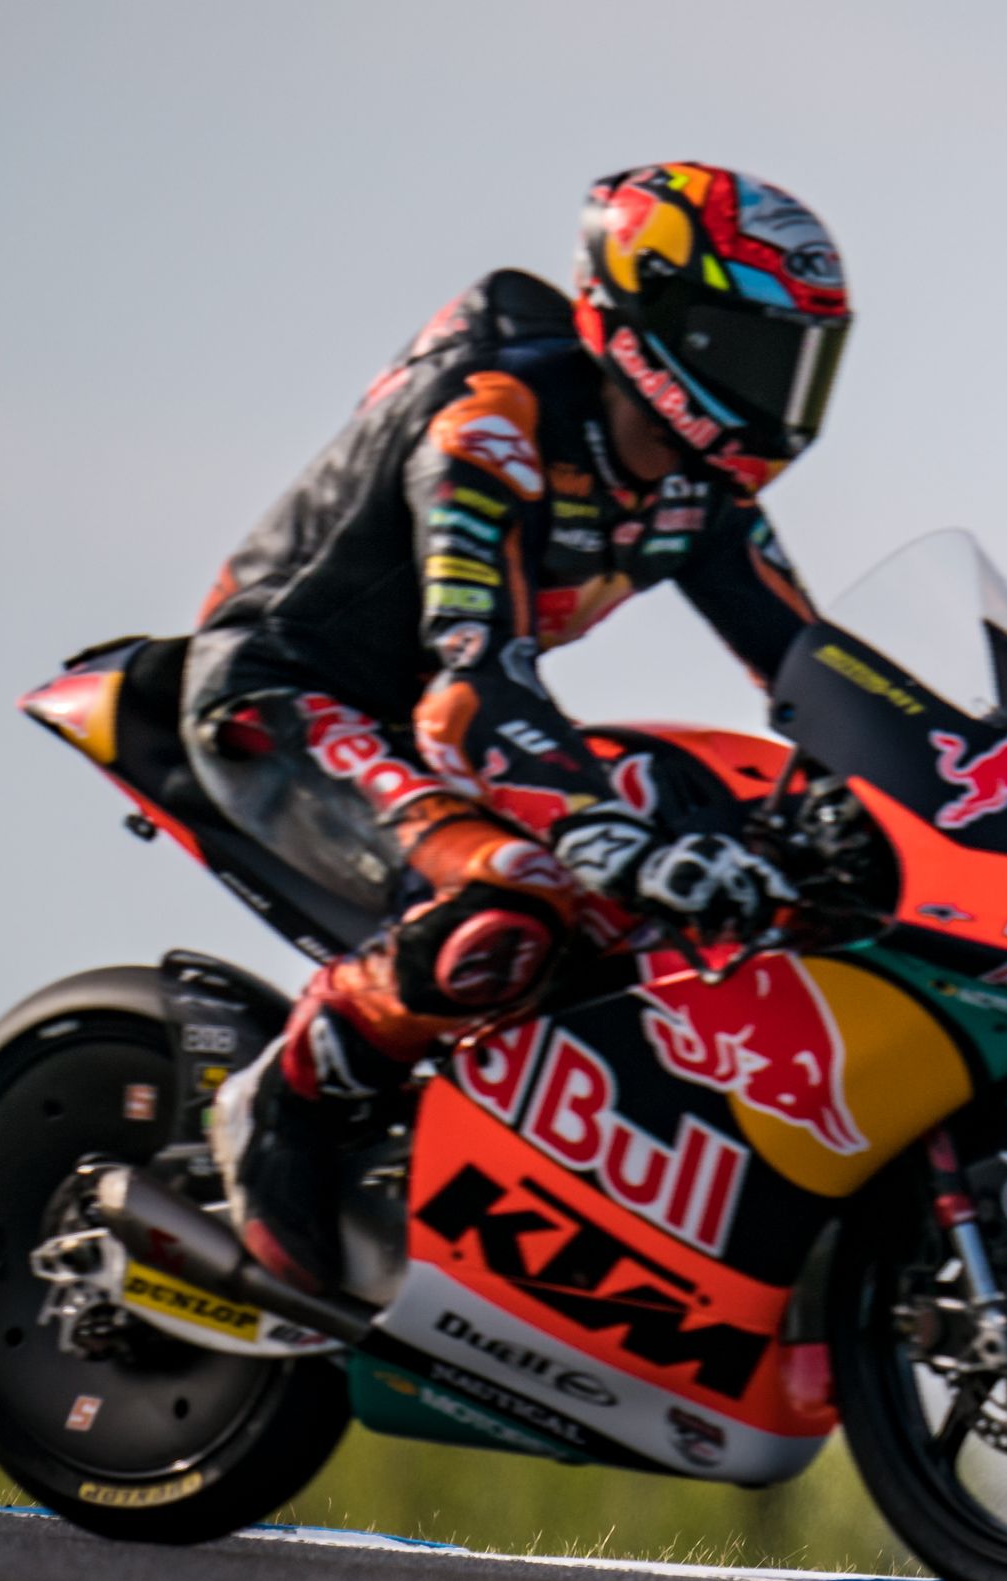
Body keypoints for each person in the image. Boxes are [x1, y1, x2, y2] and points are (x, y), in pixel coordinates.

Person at [183, 163, 852, 1294]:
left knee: (723, 822)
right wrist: (604, 835)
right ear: (659, 328)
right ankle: (282, 1097)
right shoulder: (491, 431)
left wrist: (923, 794)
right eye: (754, 349)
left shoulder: (700, 493)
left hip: (448, 718)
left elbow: (819, 675)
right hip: (291, 698)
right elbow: (471, 693)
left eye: (804, 360)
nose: (781, 390)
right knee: (523, 899)